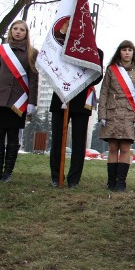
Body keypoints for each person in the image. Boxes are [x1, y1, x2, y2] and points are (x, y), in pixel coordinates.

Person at [49, 50, 103, 188]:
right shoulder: (61, 49)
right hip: (62, 97)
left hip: (81, 100)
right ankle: (56, 176)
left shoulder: (96, 52)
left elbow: (97, 76)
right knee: (57, 140)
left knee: (79, 143)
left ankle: (74, 179)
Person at [98, 40, 135, 191]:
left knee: (125, 147)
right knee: (112, 147)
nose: (127, 53)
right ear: (120, 52)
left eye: (130, 50)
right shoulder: (111, 70)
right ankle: (111, 182)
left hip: (130, 115)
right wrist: (102, 114)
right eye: (124, 50)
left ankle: (121, 182)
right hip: (112, 114)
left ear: (133, 53)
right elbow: (104, 93)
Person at [0, 20, 39, 182]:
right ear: (11, 31)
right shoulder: (2, 50)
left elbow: (34, 78)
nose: (18, 32)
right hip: (1, 99)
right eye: (15, 29)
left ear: (26, 33)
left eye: (21, 30)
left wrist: (32, 102)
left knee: (13, 136)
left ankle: (8, 172)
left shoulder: (32, 52)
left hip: (19, 101)